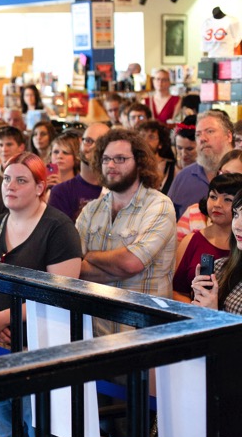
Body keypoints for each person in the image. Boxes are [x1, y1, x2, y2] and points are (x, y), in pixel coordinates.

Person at [0, 152, 82, 437]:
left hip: (40, 351)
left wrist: (2, 318)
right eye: (7, 179)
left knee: (43, 435)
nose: (10, 186)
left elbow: (61, 295)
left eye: (21, 180)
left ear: (40, 187)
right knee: (2, 434)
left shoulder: (58, 228)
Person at [76, 128, 176, 336]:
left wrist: (90, 256)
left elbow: (132, 263)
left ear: (139, 162)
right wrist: (120, 268)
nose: (111, 165)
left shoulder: (159, 205)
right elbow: (74, 268)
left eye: (120, 159)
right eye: (106, 159)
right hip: (96, 331)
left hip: (144, 330)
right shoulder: (91, 210)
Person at [173, 174, 242, 303]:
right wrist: (198, 311)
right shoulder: (192, 240)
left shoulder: (239, 246)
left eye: (227, 199)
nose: (217, 204)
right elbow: (177, 291)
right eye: (213, 197)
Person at [168, 109, 234, 219]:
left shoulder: (239, 171)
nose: (202, 138)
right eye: (198, 134)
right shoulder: (184, 176)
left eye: (210, 131)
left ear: (228, 136)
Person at [48, 122, 110, 222]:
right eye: (89, 141)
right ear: (80, 142)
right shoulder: (61, 192)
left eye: (100, 142)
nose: (93, 147)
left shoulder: (118, 190)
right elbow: (60, 235)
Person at [175, 149, 242, 242]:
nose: (228, 180)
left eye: (236, 176)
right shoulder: (194, 212)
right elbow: (179, 251)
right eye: (224, 174)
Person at [192, 190, 242, 314]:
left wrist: (214, 315)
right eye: (236, 215)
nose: (237, 225)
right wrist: (202, 301)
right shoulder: (220, 267)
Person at [136, 119, 177, 194]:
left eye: (151, 137)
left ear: (160, 143)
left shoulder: (172, 167)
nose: (145, 141)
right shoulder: (134, 165)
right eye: (142, 136)